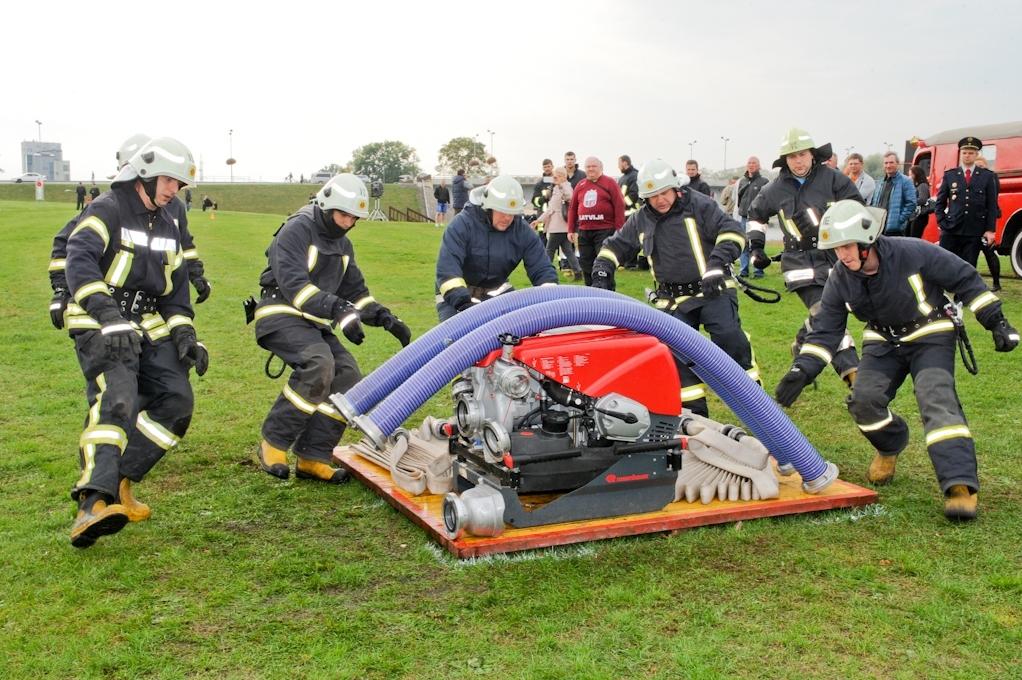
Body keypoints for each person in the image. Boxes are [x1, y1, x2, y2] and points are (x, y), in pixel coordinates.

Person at [775, 200, 1018, 521]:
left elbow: (965, 278)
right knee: (864, 401)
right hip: (883, 338)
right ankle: (890, 445)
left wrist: (996, 322)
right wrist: (802, 370)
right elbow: (826, 333)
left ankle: (959, 483)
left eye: (847, 247)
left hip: (930, 331)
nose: (842, 255)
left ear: (867, 241)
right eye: (835, 248)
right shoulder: (839, 278)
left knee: (936, 399)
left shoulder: (913, 252)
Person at [62, 136, 209, 548]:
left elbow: (175, 290)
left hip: (146, 320)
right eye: (168, 180)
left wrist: (184, 335)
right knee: (119, 398)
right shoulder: (107, 208)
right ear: (143, 173)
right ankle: (92, 502)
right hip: (100, 319)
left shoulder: (168, 220)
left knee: (177, 402)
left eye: (179, 185)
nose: (172, 190)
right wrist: (109, 318)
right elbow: (79, 260)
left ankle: (122, 480)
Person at [253, 173, 411, 484]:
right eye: (343, 215)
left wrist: (384, 317)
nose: (348, 222)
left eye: (354, 218)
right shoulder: (296, 229)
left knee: (348, 376)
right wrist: (339, 311)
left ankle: (313, 455)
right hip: (280, 311)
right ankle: (273, 442)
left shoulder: (343, 244)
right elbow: (296, 287)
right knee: (319, 364)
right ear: (326, 206)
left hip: (312, 320)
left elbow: (356, 292)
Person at [591, 159, 757, 417]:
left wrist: (716, 263)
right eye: (653, 196)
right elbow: (615, 246)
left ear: (675, 188)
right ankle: (695, 417)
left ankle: (752, 397)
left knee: (728, 337)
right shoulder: (641, 219)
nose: (660, 201)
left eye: (664, 193)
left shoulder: (700, 205)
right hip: (672, 300)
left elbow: (732, 231)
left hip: (712, 289)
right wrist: (602, 270)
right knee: (675, 356)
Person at [48, 134, 211, 333]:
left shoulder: (173, 207)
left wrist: (196, 275)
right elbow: (70, 245)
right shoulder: (110, 207)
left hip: (153, 308)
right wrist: (62, 289)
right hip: (108, 306)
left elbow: (183, 246)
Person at [747, 128, 863, 388]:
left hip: (834, 258)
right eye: (791, 157)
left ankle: (801, 344)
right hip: (798, 263)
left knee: (824, 313)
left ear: (812, 154)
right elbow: (755, 216)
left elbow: (857, 210)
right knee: (827, 315)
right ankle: (854, 376)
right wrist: (756, 246)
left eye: (801, 155)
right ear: (785, 160)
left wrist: (831, 228)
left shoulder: (834, 180)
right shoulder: (774, 189)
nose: (797, 161)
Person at [435, 175, 558, 321]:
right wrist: (464, 303)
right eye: (502, 211)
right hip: (456, 295)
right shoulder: (462, 225)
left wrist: (550, 296)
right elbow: (448, 270)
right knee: (455, 339)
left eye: (512, 213)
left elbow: (542, 268)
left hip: (496, 291)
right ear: (489, 207)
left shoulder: (522, 231)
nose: (507, 218)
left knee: (517, 333)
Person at [935, 136, 999, 270]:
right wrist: (942, 221)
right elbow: (940, 202)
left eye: (971, 153)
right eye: (964, 152)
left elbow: (992, 205)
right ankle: (942, 290)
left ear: (977, 154)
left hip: (974, 230)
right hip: (952, 228)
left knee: (969, 267)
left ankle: (963, 292)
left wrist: (990, 230)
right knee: (943, 264)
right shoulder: (950, 175)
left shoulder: (987, 176)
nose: (967, 156)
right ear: (960, 154)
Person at [567, 156, 626, 285]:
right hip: (584, 231)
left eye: (594, 166)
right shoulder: (581, 185)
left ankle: (607, 292)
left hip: (604, 231)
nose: (591, 169)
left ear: (601, 168)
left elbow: (619, 205)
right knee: (586, 264)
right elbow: (572, 208)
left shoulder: (610, 183)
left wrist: (619, 229)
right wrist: (571, 229)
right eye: (588, 167)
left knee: (604, 264)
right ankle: (590, 291)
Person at [538, 166, 584, 281]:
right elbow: (550, 209)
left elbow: (571, 197)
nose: (554, 178)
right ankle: (578, 272)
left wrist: (561, 184)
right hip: (562, 226)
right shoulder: (556, 188)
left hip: (557, 226)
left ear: (563, 176)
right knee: (568, 251)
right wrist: (539, 220)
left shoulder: (565, 186)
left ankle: (545, 273)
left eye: (556, 176)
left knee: (549, 250)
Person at [869, 152, 916, 236]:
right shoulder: (880, 183)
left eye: (891, 162)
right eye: (886, 163)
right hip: (879, 228)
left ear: (897, 164)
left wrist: (899, 220)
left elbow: (911, 204)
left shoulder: (906, 181)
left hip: (895, 231)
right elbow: (874, 203)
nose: (888, 165)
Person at [737, 156, 769, 278]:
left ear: (759, 166)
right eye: (749, 163)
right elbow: (739, 199)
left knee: (757, 245)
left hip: (758, 219)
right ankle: (744, 270)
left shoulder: (764, 182)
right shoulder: (742, 181)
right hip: (744, 217)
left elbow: (767, 200)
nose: (751, 165)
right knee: (743, 244)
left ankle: (758, 271)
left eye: (754, 163)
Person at [974, 155, 1002, 291]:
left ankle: (996, 283)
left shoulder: (991, 178)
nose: (979, 169)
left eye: (981, 166)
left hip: (986, 221)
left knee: (989, 253)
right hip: (974, 221)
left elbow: (992, 200)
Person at [617, 154, 643, 269]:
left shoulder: (634, 176)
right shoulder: (623, 178)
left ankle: (631, 262)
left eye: (619, 163)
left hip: (632, 212)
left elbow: (633, 194)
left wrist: (622, 204)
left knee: (634, 239)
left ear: (625, 163)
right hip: (623, 214)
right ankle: (626, 261)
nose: (618, 166)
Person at [908, 165, 931, 239]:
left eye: (911, 174)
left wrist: (910, 202)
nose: (909, 177)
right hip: (914, 217)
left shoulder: (923, 186)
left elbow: (923, 199)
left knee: (914, 238)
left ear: (916, 175)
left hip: (919, 217)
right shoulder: (915, 186)